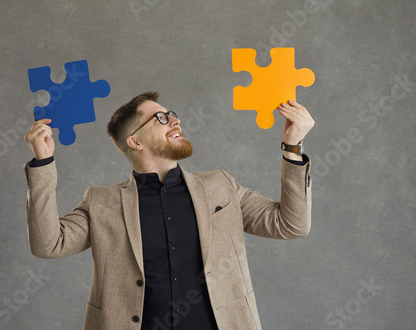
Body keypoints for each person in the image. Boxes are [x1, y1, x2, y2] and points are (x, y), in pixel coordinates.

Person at [22, 91, 314, 330]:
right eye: (160, 118)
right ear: (134, 141)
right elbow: (48, 244)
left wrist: (292, 147)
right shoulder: (101, 203)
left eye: (171, 113)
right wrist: (43, 164)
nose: (175, 120)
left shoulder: (221, 187)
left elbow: (291, 225)